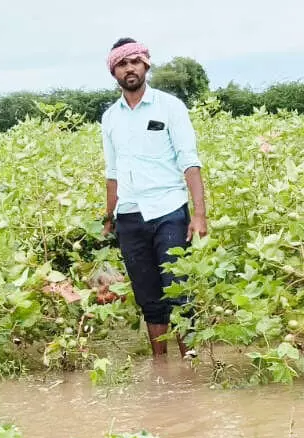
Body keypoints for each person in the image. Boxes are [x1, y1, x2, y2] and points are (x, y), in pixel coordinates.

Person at [100, 37, 208, 359]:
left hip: (169, 211)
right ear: (114, 72)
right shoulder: (110, 117)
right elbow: (112, 171)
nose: (129, 69)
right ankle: (161, 367)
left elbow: (189, 160)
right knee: (148, 297)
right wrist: (108, 218)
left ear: (146, 64)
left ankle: (190, 364)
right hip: (129, 215)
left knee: (179, 291)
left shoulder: (170, 107)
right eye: (122, 64)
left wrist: (199, 215)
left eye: (135, 61)